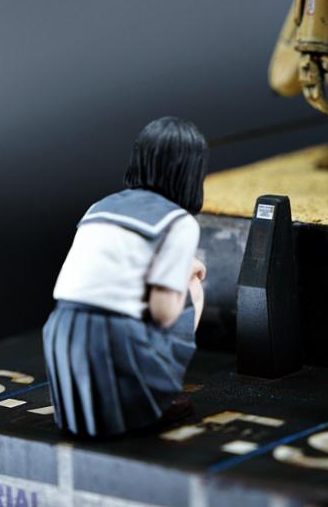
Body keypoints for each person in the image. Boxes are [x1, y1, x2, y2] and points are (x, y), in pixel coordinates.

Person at [42, 116, 209, 438]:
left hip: (61, 330)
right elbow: (163, 313)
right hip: (115, 337)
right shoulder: (179, 222)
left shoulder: (99, 206)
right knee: (192, 287)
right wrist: (183, 272)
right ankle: (156, 399)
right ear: (192, 171)